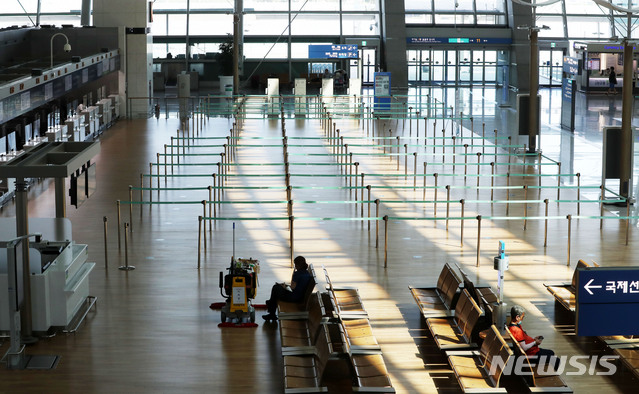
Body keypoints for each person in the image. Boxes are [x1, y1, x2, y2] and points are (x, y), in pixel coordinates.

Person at [508, 305, 560, 370]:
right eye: (522, 317)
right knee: (557, 360)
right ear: (517, 317)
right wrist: (535, 342)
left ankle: (548, 371)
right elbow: (524, 348)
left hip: (532, 351)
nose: (522, 319)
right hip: (531, 355)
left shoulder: (513, 326)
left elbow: (523, 339)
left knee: (551, 352)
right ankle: (552, 377)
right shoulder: (516, 330)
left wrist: (533, 339)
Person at [263, 256, 311, 322]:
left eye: (295, 264)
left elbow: (292, 288)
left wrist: (285, 286)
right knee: (277, 289)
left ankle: (271, 311)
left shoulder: (297, 274)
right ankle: (271, 307)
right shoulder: (306, 273)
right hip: (300, 296)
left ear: (297, 264)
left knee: (275, 288)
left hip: (294, 297)